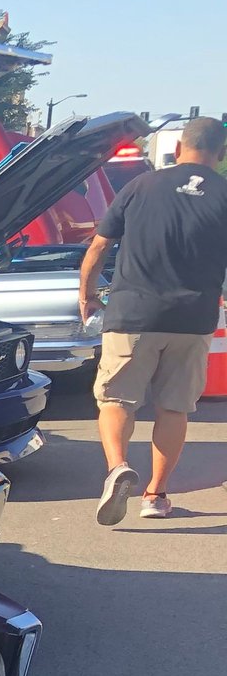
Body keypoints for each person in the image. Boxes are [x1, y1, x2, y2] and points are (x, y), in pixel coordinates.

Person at [80, 116, 227, 523]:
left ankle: (117, 468)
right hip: (194, 319)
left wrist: (88, 296)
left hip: (133, 315)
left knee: (116, 400)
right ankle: (156, 497)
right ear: (221, 154)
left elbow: (98, 248)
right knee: (174, 409)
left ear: (178, 149)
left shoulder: (140, 186)